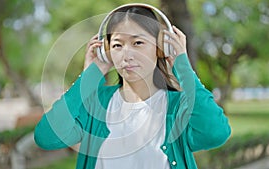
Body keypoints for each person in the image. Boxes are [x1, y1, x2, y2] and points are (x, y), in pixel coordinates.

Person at [34, 4, 231, 169]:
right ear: (106, 51)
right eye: (118, 45)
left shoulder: (179, 106)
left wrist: (182, 66)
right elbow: (47, 137)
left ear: (161, 48)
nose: (127, 55)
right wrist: (89, 77)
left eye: (137, 42)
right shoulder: (95, 103)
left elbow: (216, 133)